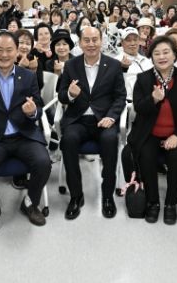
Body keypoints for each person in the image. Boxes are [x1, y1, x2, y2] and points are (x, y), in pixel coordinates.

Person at [0, 32, 51, 234]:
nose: (4, 55)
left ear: (17, 52)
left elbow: (39, 107)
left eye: (9, 50)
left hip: (24, 135)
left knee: (43, 162)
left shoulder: (28, 76)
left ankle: (31, 202)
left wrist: (33, 112)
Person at [129, 36, 177, 224]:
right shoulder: (143, 79)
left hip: (176, 134)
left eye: (166, 52)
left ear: (175, 55)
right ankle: (153, 202)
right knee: (146, 157)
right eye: (157, 53)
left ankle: (170, 204)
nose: (161, 57)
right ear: (151, 57)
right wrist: (153, 99)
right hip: (149, 133)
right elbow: (138, 108)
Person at [58, 26, 126, 220]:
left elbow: (120, 97)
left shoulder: (113, 65)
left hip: (104, 119)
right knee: (68, 140)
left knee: (110, 140)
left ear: (101, 41)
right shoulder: (71, 65)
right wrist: (70, 94)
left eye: (95, 39)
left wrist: (111, 116)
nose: (91, 44)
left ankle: (107, 196)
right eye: (86, 40)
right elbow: (61, 95)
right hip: (77, 119)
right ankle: (76, 196)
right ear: (80, 43)